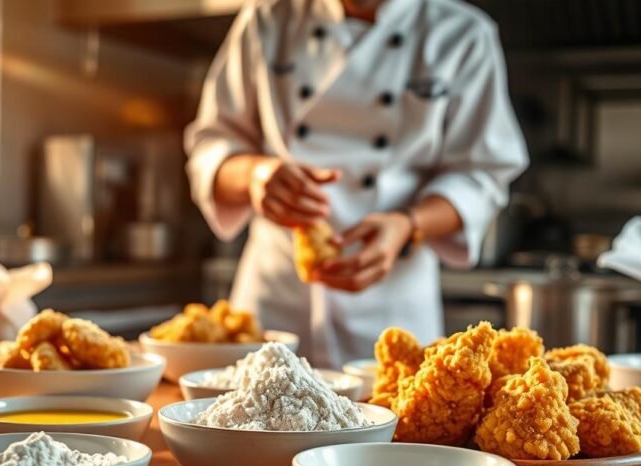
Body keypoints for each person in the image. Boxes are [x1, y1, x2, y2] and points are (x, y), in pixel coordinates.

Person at [185, 0, 529, 367]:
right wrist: (255, 176)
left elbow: (482, 175)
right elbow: (211, 146)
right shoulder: (268, 16)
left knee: (398, 414)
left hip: (391, 310)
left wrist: (408, 225)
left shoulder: (462, 33)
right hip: (275, 301)